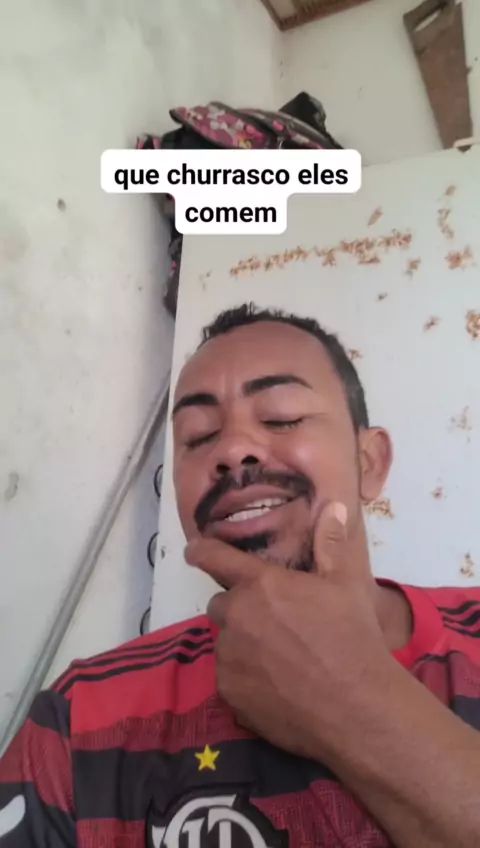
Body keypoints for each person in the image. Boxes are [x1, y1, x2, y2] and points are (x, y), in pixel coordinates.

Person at [1, 302, 480, 848]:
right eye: (198, 435)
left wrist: (355, 700)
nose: (231, 450)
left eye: (281, 417)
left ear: (369, 463)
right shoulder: (81, 718)